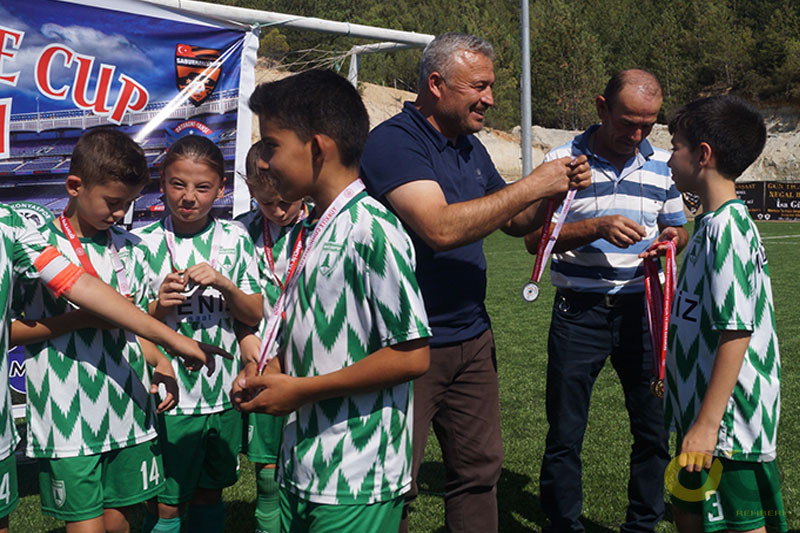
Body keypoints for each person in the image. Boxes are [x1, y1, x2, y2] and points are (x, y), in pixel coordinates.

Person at [359, 32, 591, 532]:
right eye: (479, 86)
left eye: (491, 85)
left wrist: (556, 190)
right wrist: (533, 183)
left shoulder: (468, 146)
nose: (490, 98)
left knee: (479, 472)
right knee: (391, 483)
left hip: (471, 337)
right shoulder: (394, 142)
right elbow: (439, 228)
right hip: (405, 345)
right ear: (437, 84)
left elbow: (513, 221)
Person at [232, 68, 431, 533]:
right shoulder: (315, 229)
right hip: (306, 463)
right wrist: (275, 371)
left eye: (272, 145)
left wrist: (300, 391)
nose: (264, 162)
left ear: (318, 148)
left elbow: (412, 354)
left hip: (356, 476)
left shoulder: (371, 229)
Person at [6, 128, 226, 533]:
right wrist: (77, 320)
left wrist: (162, 363)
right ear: (75, 186)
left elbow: (139, 321)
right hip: (66, 415)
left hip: (128, 407)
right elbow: (9, 332)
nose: (120, 214)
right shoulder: (35, 247)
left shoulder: (131, 247)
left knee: (120, 522)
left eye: (128, 204)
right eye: (112, 202)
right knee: (87, 527)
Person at [523, 69, 689, 532]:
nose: (637, 135)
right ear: (601, 108)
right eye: (628, 122)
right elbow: (532, 238)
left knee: (653, 432)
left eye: (648, 125)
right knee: (566, 432)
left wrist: (673, 239)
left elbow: (679, 228)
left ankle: (643, 525)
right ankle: (563, 524)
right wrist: (593, 226)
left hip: (645, 314)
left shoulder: (662, 165)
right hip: (579, 312)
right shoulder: (560, 159)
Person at [662, 95, 786, 533]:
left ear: (703, 154)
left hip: (726, 428)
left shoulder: (728, 230)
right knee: (688, 516)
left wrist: (708, 425)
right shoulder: (711, 224)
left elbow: (736, 330)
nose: (668, 157)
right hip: (702, 417)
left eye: (675, 145)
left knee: (742, 525)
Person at [135, 135, 263, 533]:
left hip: (222, 393)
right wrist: (160, 305)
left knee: (210, 493)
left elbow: (254, 313)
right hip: (170, 395)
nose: (188, 196)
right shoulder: (143, 242)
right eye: (178, 184)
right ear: (162, 183)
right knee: (168, 502)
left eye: (202, 187)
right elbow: (131, 322)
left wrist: (225, 285)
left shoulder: (235, 238)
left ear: (221, 189)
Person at [235, 141, 308, 533]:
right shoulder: (238, 233)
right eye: (266, 203)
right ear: (250, 190)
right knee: (266, 463)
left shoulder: (322, 225)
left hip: (311, 357)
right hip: (260, 358)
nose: (279, 211)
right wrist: (244, 334)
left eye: (286, 201)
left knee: (307, 452)